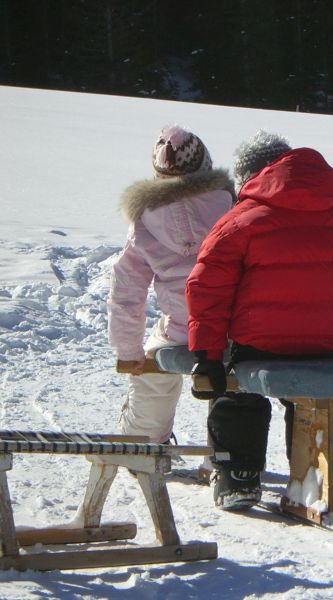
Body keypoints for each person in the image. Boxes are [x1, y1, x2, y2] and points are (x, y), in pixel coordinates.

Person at [186, 131, 333, 511]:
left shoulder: (240, 221)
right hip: (324, 346)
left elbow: (207, 290)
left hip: (259, 342)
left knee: (239, 393)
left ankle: (239, 475)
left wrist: (208, 355)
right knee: (316, 395)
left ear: (252, 177)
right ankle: (316, 471)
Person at [108, 125, 234, 443]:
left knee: (152, 367)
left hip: (181, 330)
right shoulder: (232, 207)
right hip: (229, 333)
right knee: (233, 378)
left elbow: (127, 289)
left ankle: (144, 444)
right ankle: (228, 457)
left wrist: (128, 350)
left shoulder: (146, 218)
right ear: (204, 167)